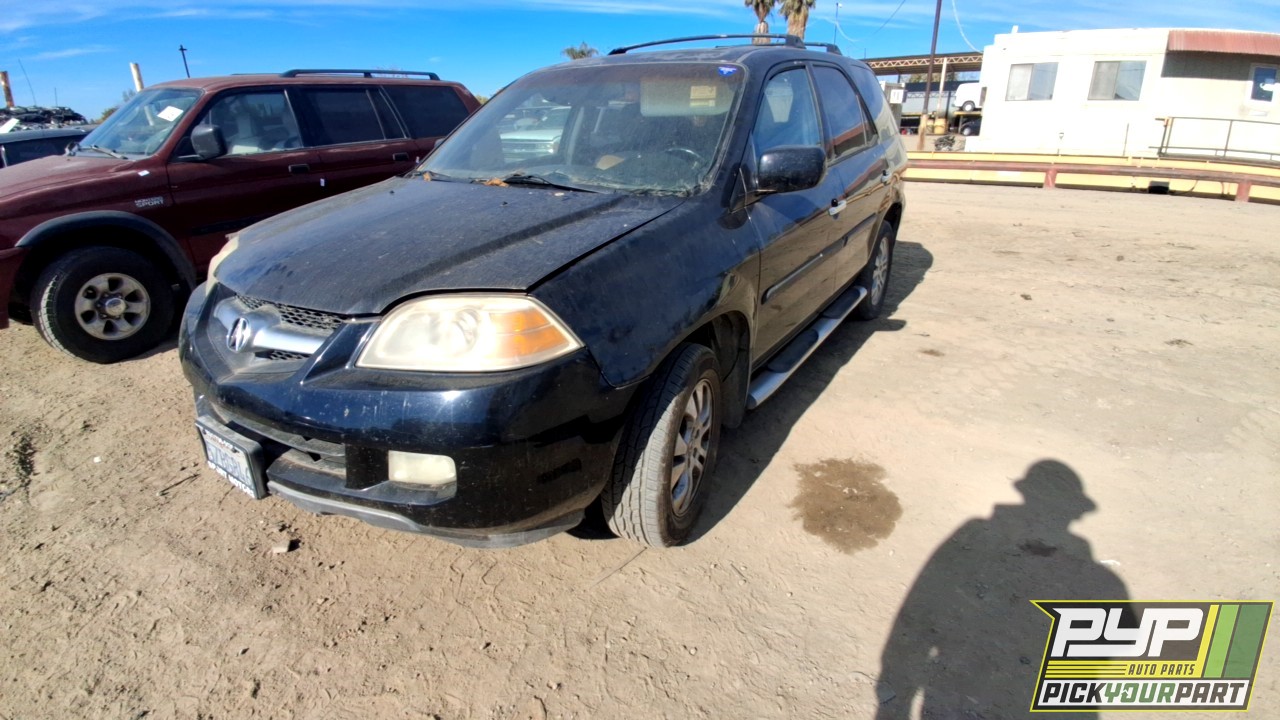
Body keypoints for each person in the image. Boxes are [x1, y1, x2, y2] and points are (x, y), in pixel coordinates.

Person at [876, 460, 1128, 719]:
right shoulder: (1101, 579)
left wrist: (892, 703)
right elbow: (921, 607)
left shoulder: (977, 535)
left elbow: (919, 609)